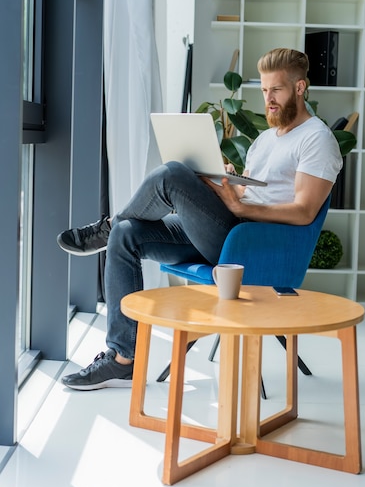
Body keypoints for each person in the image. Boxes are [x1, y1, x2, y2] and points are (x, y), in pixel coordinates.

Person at [57, 48, 342, 390]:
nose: (269, 99)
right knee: (128, 233)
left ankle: (105, 227)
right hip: (231, 228)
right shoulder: (266, 139)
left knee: (172, 175)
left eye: (276, 90)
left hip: (251, 244)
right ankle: (123, 358)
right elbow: (253, 191)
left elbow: (304, 211)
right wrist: (231, 182)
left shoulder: (317, 140)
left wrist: (239, 209)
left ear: (300, 87)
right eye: (264, 90)